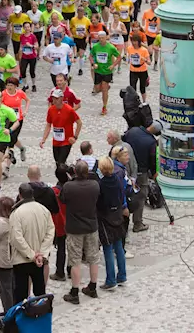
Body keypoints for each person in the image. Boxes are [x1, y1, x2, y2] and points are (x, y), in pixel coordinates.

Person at [59, 161, 100, 303]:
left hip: (75, 228)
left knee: (75, 259)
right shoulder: (95, 185)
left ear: (75, 172)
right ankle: (93, 286)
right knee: (93, 257)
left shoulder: (69, 187)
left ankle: (75, 291)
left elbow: (63, 200)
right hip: (91, 226)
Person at [7, 184, 53, 302]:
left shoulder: (16, 213)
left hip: (22, 259)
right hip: (39, 259)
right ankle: (41, 317)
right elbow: (50, 233)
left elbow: (16, 238)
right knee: (40, 292)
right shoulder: (44, 210)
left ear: (20, 195)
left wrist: (31, 255)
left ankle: (21, 319)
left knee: (20, 294)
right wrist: (41, 254)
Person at [95, 157, 127, 289]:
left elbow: (99, 202)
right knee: (118, 246)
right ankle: (122, 275)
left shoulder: (101, 184)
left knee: (107, 248)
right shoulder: (118, 180)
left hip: (105, 218)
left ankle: (110, 279)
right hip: (117, 215)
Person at [121, 122, 157, 233]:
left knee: (124, 193)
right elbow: (152, 159)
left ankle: (124, 222)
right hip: (141, 173)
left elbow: (123, 141)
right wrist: (154, 172)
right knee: (141, 196)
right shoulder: (151, 142)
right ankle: (137, 223)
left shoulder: (133, 130)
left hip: (126, 168)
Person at [0, 196, 16, 322]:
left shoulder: (2, 222)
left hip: (3, 261)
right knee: (10, 287)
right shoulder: (14, 220)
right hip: (12, 259)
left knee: (5, 290)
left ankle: (9, 315)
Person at [40, 89, 82, 167]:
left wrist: (75, 137)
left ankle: (64, 176)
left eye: (56, 98)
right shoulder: (51, 110)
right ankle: (67, 174)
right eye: (53, 98)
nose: (54, 100)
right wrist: (43, 139)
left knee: (60, 163)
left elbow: (79, 123)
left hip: (67, 141)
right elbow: (48, 125)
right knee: (58, 163)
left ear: (62, 98)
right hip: (56, 141)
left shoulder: (69, 110)